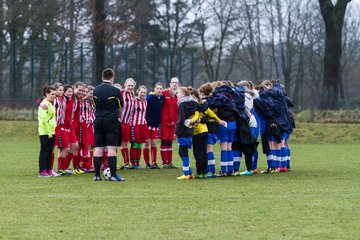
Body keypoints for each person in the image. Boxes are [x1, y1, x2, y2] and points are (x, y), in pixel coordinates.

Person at [92, 68, 124, 181]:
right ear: (112, 78)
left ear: (102, 77)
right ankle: (114, 175)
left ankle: (96, 175)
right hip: (111, 120)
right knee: (111, 148)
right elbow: (120, 107)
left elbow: (94, 106)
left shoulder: (95, 90)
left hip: (98, 120)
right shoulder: (115, 91)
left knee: (98, 148)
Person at [175, 87, 198, 180]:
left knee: (183, 152)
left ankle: (186, 174)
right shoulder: (193, 103)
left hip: (183, 131)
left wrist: (176, 132)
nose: (177, 94)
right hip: (190, 130)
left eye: (178, 93)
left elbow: (181, 120)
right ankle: (189, 172)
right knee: (181, 151)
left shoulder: (182, 105)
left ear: (183, 94)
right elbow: (201, 108)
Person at [144, 82, 165, 169]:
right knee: (146, 143)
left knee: (154, 143)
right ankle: (147, 163)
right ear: (154, 89)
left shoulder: (162, 97)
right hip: (147, 124)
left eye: (161, 88)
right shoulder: (150, 97)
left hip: (155, 124)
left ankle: (154, 163)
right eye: (158, 88)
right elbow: (144, 104)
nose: (159, 90)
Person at [38, 84, 57, 177]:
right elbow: (43, 120)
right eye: (52, 94)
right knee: (44, 151)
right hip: (45, 132)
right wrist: (49, 132)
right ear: (47, 94)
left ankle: (49, 170)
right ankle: (42, 171)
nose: (54, 96)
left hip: (51, 131)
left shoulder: (50, 103)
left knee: (50, 152)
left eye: (55, 94)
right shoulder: (44, 104)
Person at [160, 77, 179, 168]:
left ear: (178, 85)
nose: (174, 84)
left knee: (170, 142)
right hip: (164, 123)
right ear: (170, 84)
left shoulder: (177, 96)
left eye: (176, 83)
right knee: (164, 142)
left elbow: (176, 110)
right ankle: (164, 163)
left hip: (172, 124)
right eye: (173, 82)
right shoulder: (165, 93)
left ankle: (169, 162)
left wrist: (176, 121)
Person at [129, 85, 148, 168]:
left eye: (144, 92)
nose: (143, 94)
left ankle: (138, 161)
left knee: (140, 143)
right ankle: (133, 162)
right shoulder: (133, 101)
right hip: (134, 124)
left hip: (143, 124)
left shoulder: (145, 102)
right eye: (141, 92)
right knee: (135, 143)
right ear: (138, 92)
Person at [119, 78, 136, 169]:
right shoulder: (121, 93)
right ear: (125, 85)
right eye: (128, 85)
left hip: (127, 123)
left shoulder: (133, 95)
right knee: (114, 143)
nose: (130, 87)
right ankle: (108, 163)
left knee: (124, 143)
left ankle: (126, 163)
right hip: (119, 122)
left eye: (132, 86)